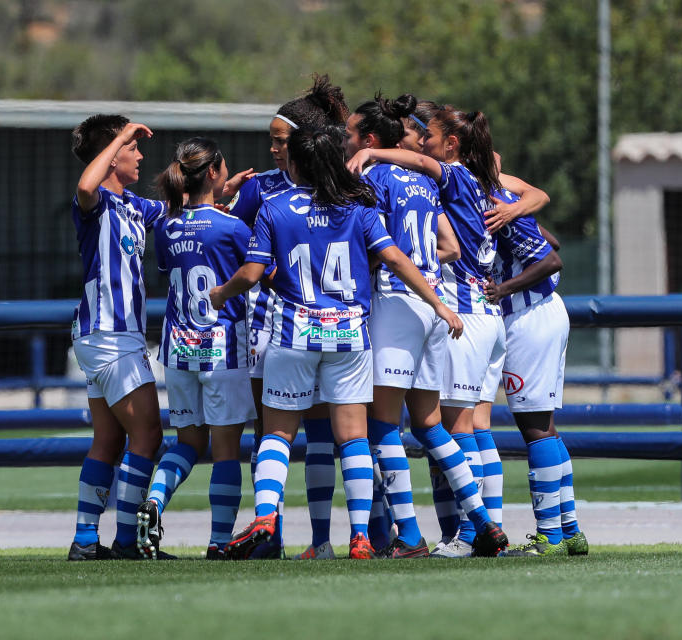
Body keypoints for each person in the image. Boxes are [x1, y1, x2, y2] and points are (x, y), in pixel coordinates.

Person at [210, 126, 465, 560]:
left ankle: (267, 514)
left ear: (297, 162)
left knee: (276, 434)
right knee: (353, 439)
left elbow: (252, 274)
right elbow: (395, 258)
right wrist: (439, 304)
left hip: (294, 335)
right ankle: (361, 535)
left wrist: (221, 294)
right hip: (349, 336)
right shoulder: (357, 207)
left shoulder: (274, 208)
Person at [347, 106, 548, 557]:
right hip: (440, 309)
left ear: (374, 141)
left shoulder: (382, 176)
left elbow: (372, 241)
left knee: (384, 429)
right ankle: (485, 524)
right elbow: (451, 246)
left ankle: (413, 536)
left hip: (407, 305)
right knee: (434, 427)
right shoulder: (434, 185)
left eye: (352, 138)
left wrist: (379, 260)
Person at [228, 74, 349, 560]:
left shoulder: (341, 185)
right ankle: (270, 537)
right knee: (270, 431)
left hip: (314, 327)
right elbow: (228, 240)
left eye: (280, 141)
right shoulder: (261, 189)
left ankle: (324, 541)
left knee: (324, 432)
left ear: (301, 142)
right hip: (268, 327)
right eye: (272, 141)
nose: (273, 150)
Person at [132, 138, 257, 560]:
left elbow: (181, 253)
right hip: (222, 349)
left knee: (187, 443)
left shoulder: (166, 226)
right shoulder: (234, 227)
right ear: (217, 171)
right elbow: (257, 270)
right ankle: (219, 542)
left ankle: (153, 501)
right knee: (225, 452)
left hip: (179, 348)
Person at [66, 115, 165, 561]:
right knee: (147, 436)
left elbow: (185, 210)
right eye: (132, 147)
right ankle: (129, 540)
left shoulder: (134, 206)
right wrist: (120, 135)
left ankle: (86, 539)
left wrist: (223, 192)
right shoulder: (97, 201)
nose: (140, 155)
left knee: (108, 440)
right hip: (110, 335)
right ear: (112, 152)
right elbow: (86, 186)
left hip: (107, 336)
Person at [483, 182, 588, 557]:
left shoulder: (491, 200)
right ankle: (570, 531)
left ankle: (550, 538)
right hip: (541, 312)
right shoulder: (502, 199)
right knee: (545, 427)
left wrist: (504, 288)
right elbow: (553, 241)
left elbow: (551, 259)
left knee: (535, 428)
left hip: (529, 317)